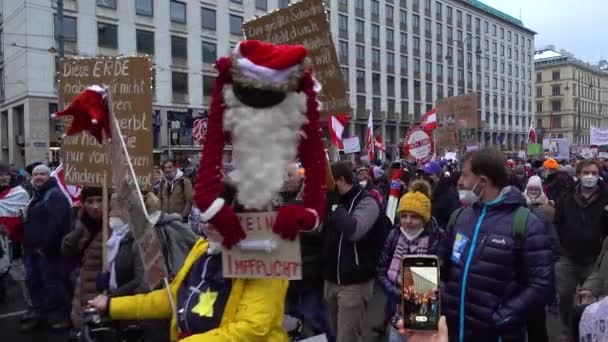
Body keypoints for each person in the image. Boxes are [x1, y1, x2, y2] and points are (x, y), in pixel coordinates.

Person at [88, 222, 289, 341]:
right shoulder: (203, 249)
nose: (205, 224)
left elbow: (252, 329)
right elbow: (173, 299)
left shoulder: (265, 258)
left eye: (215, 216)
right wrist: (112, 305)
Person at [438, 148, 554, 342]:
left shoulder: (526, 223)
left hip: (497, 335)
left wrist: (501, 318)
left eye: (465, 175)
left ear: (482, 181)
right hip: (455, 331)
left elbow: (541, 285)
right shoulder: (459, 217)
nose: (459, 182)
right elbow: (442, 266)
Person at [323, 161, 382, 342]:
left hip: (354, 283)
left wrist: (334, 206)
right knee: (335, 333)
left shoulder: (367, 202)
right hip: (331, 280)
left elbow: (354, 231)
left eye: (328, 185)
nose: (326, 190)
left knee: (347, 337)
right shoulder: (331, 201)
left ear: (340, 181)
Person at [376, 180, 441, 342]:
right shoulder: (394, 235)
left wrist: (422, 296)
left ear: (424, 218)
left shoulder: (436, 238)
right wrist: (395, 293)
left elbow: (443, 274)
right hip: (396, 308)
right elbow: (381, 269)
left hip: (425, 309)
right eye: (404, 216)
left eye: (414, 216)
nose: (408, 221)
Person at [553, 159, 608, 341]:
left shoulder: (606, 197)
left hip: (594, 259)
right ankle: (568, 329)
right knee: (565, 295)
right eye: (586, 173)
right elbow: (557, 223)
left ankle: (590, 331)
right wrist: (559, 247)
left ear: (599, 175)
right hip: (567, 257)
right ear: (578, 175)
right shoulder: (567, 197)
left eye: (594, 173)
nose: (590, 177)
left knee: (592, 300)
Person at [283, 162, 334, 340]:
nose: (285, 179)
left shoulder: (314, 200)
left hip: (309, 273)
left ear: (301, 176)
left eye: (289, 175)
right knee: (288, 319)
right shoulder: (276, 201)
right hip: (283, 275)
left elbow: (320, 233)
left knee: (313, 317)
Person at [21, 164, 72, 332]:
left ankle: (67, 318)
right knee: (34, 284)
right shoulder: (38, 195)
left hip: (47, 252)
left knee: (54, 285)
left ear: (49, 176)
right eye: (35, 174)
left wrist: (44, 246)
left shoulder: (55, 195)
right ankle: (40, 316)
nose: (38, 177)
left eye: (42, 174)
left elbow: (56, 224)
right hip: (32, 250)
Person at [62, 187, 105, 333]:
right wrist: (76, 234)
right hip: (82, 289)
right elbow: (67, 252)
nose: (95, 206)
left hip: (103, 294)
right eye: (90, 201)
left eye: (100, 200)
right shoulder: (79, 222)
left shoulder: (116, 225)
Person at [0, 162, 30, 304]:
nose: (3, 178)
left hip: (15, 241)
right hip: (1, 244)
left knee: (20, 274)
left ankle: (31, 305)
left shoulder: (19, 193)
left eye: (6, 174)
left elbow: (25, 218)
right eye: (0, 175)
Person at [422, 162, 460, 229]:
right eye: (423, 174)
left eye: (429, 174)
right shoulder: (420, 192)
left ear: (438, 176)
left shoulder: (449, 195)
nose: (425, 177)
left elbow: (453, 222)